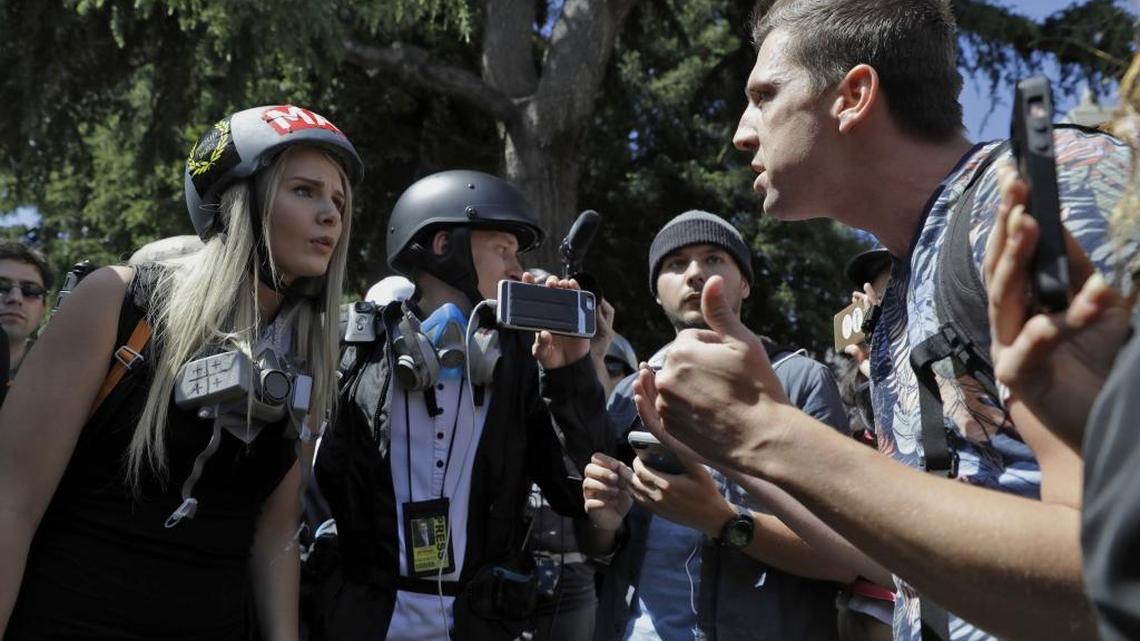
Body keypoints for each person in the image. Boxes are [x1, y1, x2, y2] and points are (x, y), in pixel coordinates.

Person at [633, 2, 1131, 641]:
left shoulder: (1039, 193)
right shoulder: (893, 308)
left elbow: (1111, 569)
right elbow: (894, 556)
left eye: (764, 95)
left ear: (854, 95)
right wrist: (736, 446)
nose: (742, 133)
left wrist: (767, 431)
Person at [0, 104, 362, 640]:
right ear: (239, 198)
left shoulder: (303, 350)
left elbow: (276, 534)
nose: (330, 214)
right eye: (305, 191)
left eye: (337, 200)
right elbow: (12, 503)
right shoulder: (118, 302)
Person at [311, 169, 610, 641]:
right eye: (503, 249)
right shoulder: (357, 346)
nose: (517, 268)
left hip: (480, 624)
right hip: (363, 619)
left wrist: (573, 370)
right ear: (443, 245)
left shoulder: (524, 363)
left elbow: (577, 491)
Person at [583, 210, 860, 641]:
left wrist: (724, 521)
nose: (694, 273)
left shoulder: (799, 381)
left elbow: (844, 558)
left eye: (713, 259)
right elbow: (602, 549)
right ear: (656, 292)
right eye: (676, 264)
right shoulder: (629, 394)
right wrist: (604, 523)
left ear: (745, 282)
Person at [0, 241, 51, 376]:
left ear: (44, 307)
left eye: (31, 290)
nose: (16, 298)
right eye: (1, 286)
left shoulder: (58, 373)